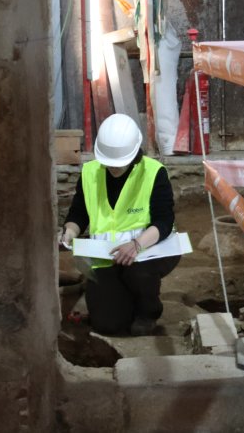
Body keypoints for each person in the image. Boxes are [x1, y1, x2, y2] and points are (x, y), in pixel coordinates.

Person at [59, 114, 179, 336]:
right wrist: (69, 231)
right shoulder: (89, 173)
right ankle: (113, 294)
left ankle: (148, 311)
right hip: (107, 257)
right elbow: (79, 213)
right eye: (108, 163)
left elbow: (164, 220)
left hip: (148, 251)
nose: (113, 168)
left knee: (138, 274)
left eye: (119, 163)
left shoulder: (153, 172)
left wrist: (136, 244)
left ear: (134, 154)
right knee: (108, 325)